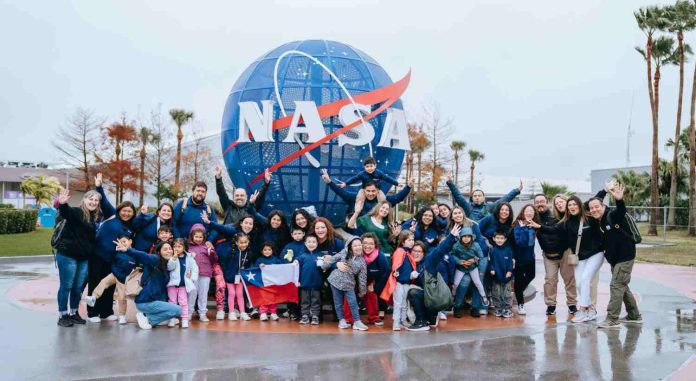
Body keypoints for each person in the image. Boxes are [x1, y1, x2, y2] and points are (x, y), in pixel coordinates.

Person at [529, 196, 604, 323]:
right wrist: (538, 226)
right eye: (570, 205)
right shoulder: (566, 221)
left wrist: (605, 192)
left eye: (573, 204)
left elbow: (601, 230)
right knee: (579, 282)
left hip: (594, 254)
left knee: (583, 280)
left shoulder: (589, 218)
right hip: (579, 256)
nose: (571, 207)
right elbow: (552, 230)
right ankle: (590, 310)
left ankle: (582, 309)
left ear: (579, 205)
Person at [589, 183, 643, 329]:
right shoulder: (597, 222)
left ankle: (612, 318)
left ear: (603, 206)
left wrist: (619, 199)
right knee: (622, 286)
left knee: (616, 285)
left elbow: (621, 211)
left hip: (625, 257)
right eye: (591, 208)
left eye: (597, 207)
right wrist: (603, 191)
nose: (594, 209)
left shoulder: (612, 215)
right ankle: (634, 315)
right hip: (615, 259)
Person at [54, 188, 102, 327]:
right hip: (68, 255)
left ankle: (74, 313)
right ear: (84, 200)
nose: (93, 202)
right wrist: (62, 204)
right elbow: (66, 212)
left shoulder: (94, 217)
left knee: (77, 287)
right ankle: (63, 315)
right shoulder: (77, 212)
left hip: (83, 258)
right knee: (66, 286)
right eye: (90, 199)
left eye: (96, 200)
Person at [90, 187, 136, 323]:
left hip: (114, 259)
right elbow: (103, 201)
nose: (126, 214)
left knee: (110, 286)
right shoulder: (111, 215)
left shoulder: (131, 227)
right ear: (119, 210)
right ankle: (92, 312)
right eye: (124, 211)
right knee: (95, 282)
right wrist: (99, 187)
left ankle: (106, 311)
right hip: (98, 255)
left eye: (130, 212)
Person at [404, 224, 461, 331]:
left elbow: (439, 251)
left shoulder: (428, 261)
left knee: (412, 292)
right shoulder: (409, 263)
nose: (416, 253)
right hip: (428, 299)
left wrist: (451, 237)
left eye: (419, 251)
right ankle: (430, 318)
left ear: (424, 253)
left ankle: (421, 322)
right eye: (414, 251)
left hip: (434, 298)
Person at [117, 240, 182, 330]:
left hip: (152, 300)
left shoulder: (167, 265)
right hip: (146, 301)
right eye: (165, 249)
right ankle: (147, 318)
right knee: (178, 310)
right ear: (159, 252)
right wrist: (128, 250)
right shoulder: (155, 259)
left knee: (170, 314)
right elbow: (144, 256)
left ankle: (148, 317)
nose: (169, 251)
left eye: (170, 249)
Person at [533, 193, 577, 316]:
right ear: (534, 204)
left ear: (547, 202)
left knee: (569, 279)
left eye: (542, 201)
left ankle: (572, 304)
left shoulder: (557, 214)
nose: (540, 204)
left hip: (564, 252)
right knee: (550, 280)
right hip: (548, 254)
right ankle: (551, 305)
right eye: (537, 202)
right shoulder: (533, 217)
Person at [322, 169, 413, 227]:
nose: (370, 194)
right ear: (364, 190)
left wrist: (408, 186)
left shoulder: (384, 201)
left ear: (378, 191)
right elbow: (341, 192)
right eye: (368, 191)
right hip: (360, 235)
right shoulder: (356, 198)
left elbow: (398, 197)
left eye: (373, 191)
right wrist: (330, 182)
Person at [82, 234, 138, 325]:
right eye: (120, 242)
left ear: (130, 241)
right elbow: (113, 264)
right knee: (103, 282)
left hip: (123, 279)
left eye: (124, 241)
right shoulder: (118, 252)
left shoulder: (134, 253)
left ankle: (122, 316)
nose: (122, 244)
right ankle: (93, 297)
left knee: (121, 297)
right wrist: (115, 270)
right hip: (114, 275)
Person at [321, 237, 369, 331]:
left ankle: (357, 322)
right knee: (338, 302)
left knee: (353, 302)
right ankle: (341, 321)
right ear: (350, 247)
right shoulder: (344, 252)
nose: (358, 247)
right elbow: (333, 259)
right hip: (335, 280)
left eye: (359, 245)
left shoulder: (362, 261)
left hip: (349, 283)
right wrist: (324, 266)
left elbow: (362, 277)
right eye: (355, 245)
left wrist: (362, 291)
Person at [339, 157, 399, 227]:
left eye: (371, 166)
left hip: (377, 191)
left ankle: (387, 220)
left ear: (375, 166)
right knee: (359, 199)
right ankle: (355, 215)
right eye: (367, 167)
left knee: (384, 201)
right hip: (364, 190)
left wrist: (396, 183)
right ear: (364, 167)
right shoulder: (362, 174)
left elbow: (387, 178)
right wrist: (345, 183)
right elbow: (354, 179)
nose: (369, 168)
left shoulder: (379, 173)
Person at [381, 230, 416, 331]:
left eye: (413, 240)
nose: (412, 242)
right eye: (409, 240)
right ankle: (396, 322)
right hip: (399, 282)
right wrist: (395, 272)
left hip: (407, 282)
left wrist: (412, 275)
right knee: (398, 303)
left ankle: (403, 320)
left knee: (405, 303)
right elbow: (396, 265)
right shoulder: (400, 251)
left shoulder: (408, 252)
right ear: (403, 241)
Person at [445, 175, 523, 221]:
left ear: (483, 197)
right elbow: (459, 197)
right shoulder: (468, 207)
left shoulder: (489, 206)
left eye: (479, 195)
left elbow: (504, 199)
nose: (477, 197)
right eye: (475, 196)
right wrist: (450, 183)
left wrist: (517, 190)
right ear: (472, 198)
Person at [451, 227, 489, 318]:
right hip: (461, 268)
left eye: (469, 236)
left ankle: (483, 296)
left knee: (478, 282)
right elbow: (453, 255)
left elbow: (480, 256)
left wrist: (474, 260)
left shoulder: (475, 245)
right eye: (464, 236)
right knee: (456, 284)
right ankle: (453, 298)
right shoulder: (456, 245)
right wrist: (461, 262)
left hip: (472, 267)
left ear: (472, 237)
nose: (466, 238)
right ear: (460, 237)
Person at [355, 233, 389, 326]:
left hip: (372, 282)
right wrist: (359, 287)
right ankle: (349, 318)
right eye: (365, 243)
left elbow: (385, 274)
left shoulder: (380, 257)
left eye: (371, 244)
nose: (367, 246)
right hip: (356, 282)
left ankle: (374, 318)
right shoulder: (356, 255)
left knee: (371, 294)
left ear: (375, 245)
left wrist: (374, 286)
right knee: (349, 293)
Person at [186, 223, 218, 322]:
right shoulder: (188, 247)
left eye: (200, 237)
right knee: (192, 293)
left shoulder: (207, 246)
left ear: (204, 237)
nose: (198, 239)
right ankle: (189, 313)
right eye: (196, 236)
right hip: (192, 275)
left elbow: (215, 260)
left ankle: (202, 313)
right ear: (192, 236)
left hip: (205, 274)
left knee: (203, 294)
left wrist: (212, 252)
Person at [511, 204, 539, 315]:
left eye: (531, 211)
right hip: (519, 258)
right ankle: (520, 305)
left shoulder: (534, 225)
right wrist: (524, 229)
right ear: (523, 212)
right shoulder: (518, 225)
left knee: (531, 275)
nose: (529, 213)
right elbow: (520, 242)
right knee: (518, 281)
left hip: (530, 257)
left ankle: (518, 292)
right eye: (527, 211)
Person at [218, 233, 252, 321]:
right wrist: (227, 273)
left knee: (240, 294)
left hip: (240, 278)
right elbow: (224, 263)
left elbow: (248, 265)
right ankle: (232, 312)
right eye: (241, 242)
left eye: (245, 242)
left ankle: (242, 312)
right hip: (230, 278)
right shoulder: (231, 251)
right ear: (237, 243)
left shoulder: (248, 253)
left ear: (248, 242)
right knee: (232, 294)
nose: (244, 244)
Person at [166, 238, 199, 328]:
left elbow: (195, 269)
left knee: (183, 302)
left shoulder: (189, 257)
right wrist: (173, 259)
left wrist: (192, 278)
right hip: (172, 284)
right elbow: (169, 268)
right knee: (172, 302)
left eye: (179, 246)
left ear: (184, 247)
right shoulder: (172, 256)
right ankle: (172, 318)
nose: (176, 248)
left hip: (184, 285)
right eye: (175, 246)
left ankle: (184, 319)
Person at [297, 234, 324, 325]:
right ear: (305, 243)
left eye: (313, 242)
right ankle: (305, 316)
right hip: (304, 283)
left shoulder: (320, 255)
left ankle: (315, 316)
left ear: (317, 243)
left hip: (316, 283)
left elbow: (324, 268)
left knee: (316, 300)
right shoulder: (302, 256)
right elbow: (296, 263)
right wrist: (295, 261)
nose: (311, 244)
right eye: (309, 242)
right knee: (304, 300)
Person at [255, 242, 285, 321]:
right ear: (262, 251)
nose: (267, 251)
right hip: (263, 284)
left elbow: (282, 268)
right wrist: (259, 266)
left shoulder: (276, 260)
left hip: (273, 283)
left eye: (269, 249)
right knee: (264, 298)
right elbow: (254, 270)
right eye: (265, 250)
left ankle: (273, 313)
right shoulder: (259, 260)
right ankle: (263, 313)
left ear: (272, 250)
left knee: (273, 298)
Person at [488, 231, 514, 318]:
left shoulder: (508, 250)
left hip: (507, 275)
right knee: (496, 292)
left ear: (505, 239)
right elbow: (490, 262)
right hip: (496, 276)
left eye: (502, 238)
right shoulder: (492, 251)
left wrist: (510, 271)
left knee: (507, 293)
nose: (499, 240)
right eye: (498, 238)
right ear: (494, 239)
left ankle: (507, 309)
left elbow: (510, 262)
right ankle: (498, 308)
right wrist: (491, 269)